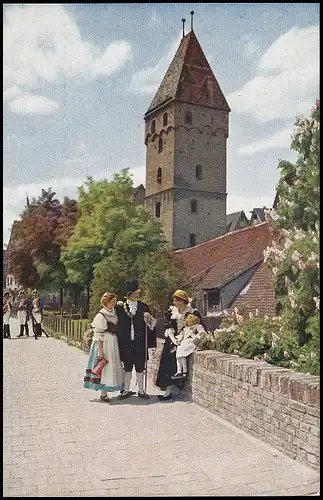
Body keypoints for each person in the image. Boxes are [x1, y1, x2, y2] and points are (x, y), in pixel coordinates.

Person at [155, 289, 204, 401]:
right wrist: (173, 339)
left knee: (177, 359)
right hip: (174, 340)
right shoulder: (173, 313)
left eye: (177, 300)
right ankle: (168, 389)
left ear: (183, 301)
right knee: (167, 361)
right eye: (174, 300)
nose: (174, 302)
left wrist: (192, 340)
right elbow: (169, 327)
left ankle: (174, 386)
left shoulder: (193, 312)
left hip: (186, 339)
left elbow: (199, 328)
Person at [115, 280, 157, 400]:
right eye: (133, 293)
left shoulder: (144, 307)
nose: (135, 294)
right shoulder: (120, 307)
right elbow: (115, 323)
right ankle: (126, 390)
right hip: (126, 343)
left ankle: (141, 391)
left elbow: (152, 325)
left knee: (140, 367)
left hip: (139, 342)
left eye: (136, 292)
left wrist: (148, 318)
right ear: (128, 294)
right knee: (127, 367)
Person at [83, 292, 124, 402]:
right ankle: (103, 393)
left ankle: (109, 388)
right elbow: (98, 335)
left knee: (111, 366)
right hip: (104, 342)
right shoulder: (101, 315)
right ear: (107, 302)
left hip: (112, 341)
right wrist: (100, 351)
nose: (114, 303)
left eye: (115, 301)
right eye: (113, 301)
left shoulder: (113, 312)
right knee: (103, 366)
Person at [172, 313, 207, 379]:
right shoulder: (185, 328)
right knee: (178, 355)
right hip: (184, 343)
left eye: (192, 322)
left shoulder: (198, 326)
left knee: (181, 353)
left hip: (191, 342)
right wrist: (178, 340)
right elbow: (181, 335)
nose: (191, 323)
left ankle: (184, 371)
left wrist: (196, 337)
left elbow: (202, 333)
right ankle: (179, 371)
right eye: (189, 322)